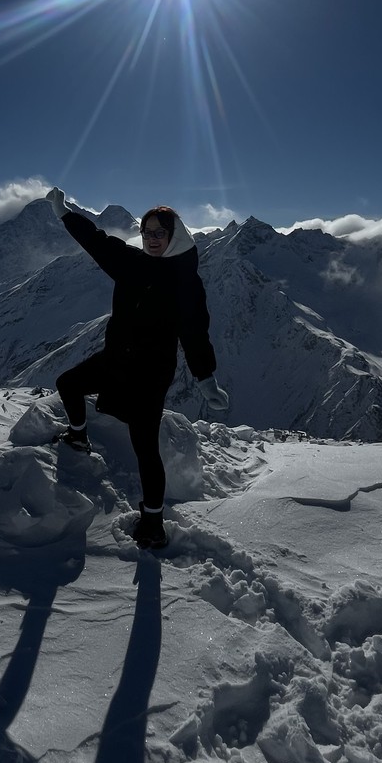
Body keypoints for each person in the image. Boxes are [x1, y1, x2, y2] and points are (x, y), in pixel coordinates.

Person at [45, 186, 228, 550]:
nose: (151, 238)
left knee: (145, 448)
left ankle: (154, 523)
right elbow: (97, 241)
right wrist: (65, 214)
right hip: (116, 359)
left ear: (175, 234)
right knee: (68, 383)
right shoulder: (132, 263)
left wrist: (205, 377)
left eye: (160, 232)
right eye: (146, 232)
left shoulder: (186, 283)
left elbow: (195, 332)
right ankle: (78, 437)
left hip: (149, 374)